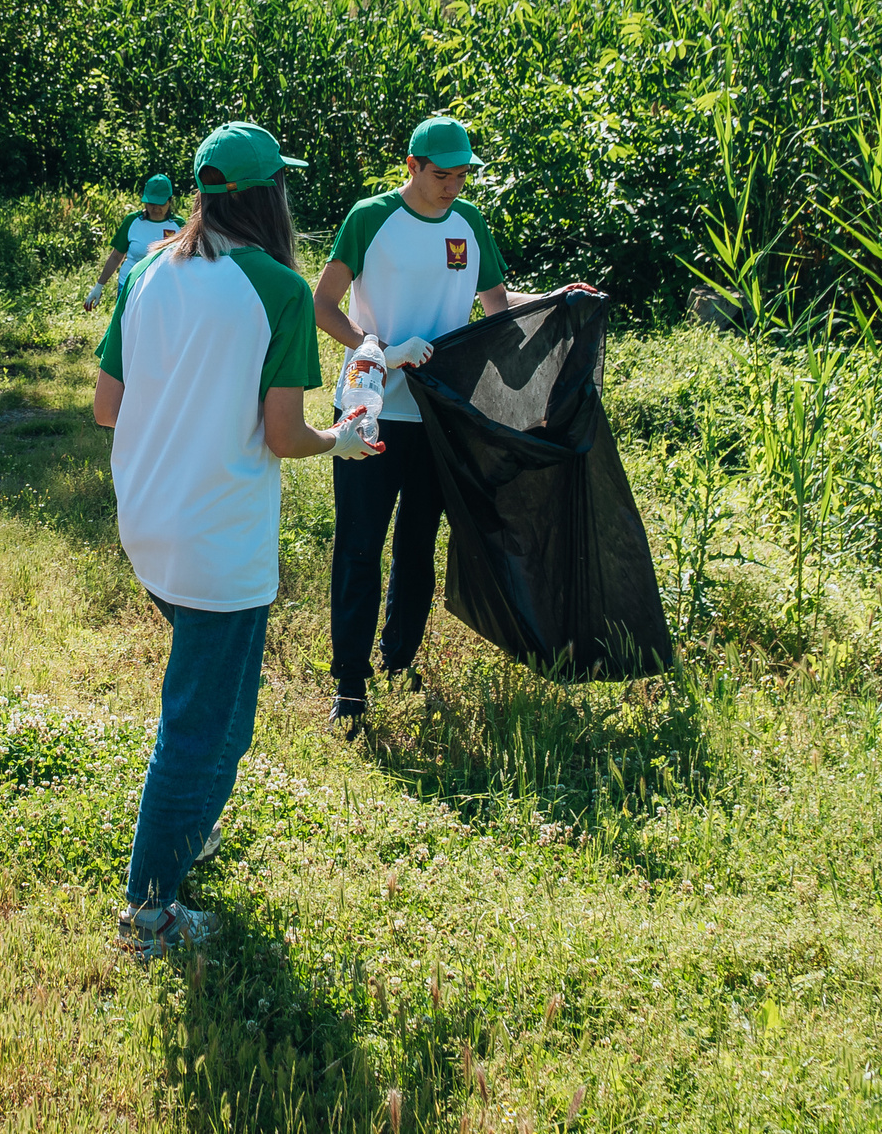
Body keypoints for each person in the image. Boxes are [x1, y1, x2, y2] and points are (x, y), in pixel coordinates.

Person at [95, 121, 375, 959]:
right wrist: (345, 437)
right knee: (202, 725)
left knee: (225, 715)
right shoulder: (279, 290)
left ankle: (187, 833)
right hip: (217, 539)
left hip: (148, 525)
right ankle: (150, 915)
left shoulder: (146, 271)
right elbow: (286, 435)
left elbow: (107, 407)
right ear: (267, 198)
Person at [312, 114, 596, 732]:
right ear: (410, 167)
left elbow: (498, 306)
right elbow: (321, 304)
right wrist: (380, 349)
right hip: (370, 407)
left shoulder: (469, 225)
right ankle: (351, 685)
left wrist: (557, 301)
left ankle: (398, 660)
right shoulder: (369, 219)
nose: (454, 186)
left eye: (463, 174)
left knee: (417, 544)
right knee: (360, 545)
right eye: (442, 175)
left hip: (442, 414)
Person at [85, 174, 180, 308]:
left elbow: (186, 262)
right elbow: (116, 256)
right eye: (151, 203)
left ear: (170, 201)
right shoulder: (132, 221)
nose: (156, 208)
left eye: (161, 204)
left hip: (163, 289)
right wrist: (99, 286)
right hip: (130, 286)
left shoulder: (178, 226)